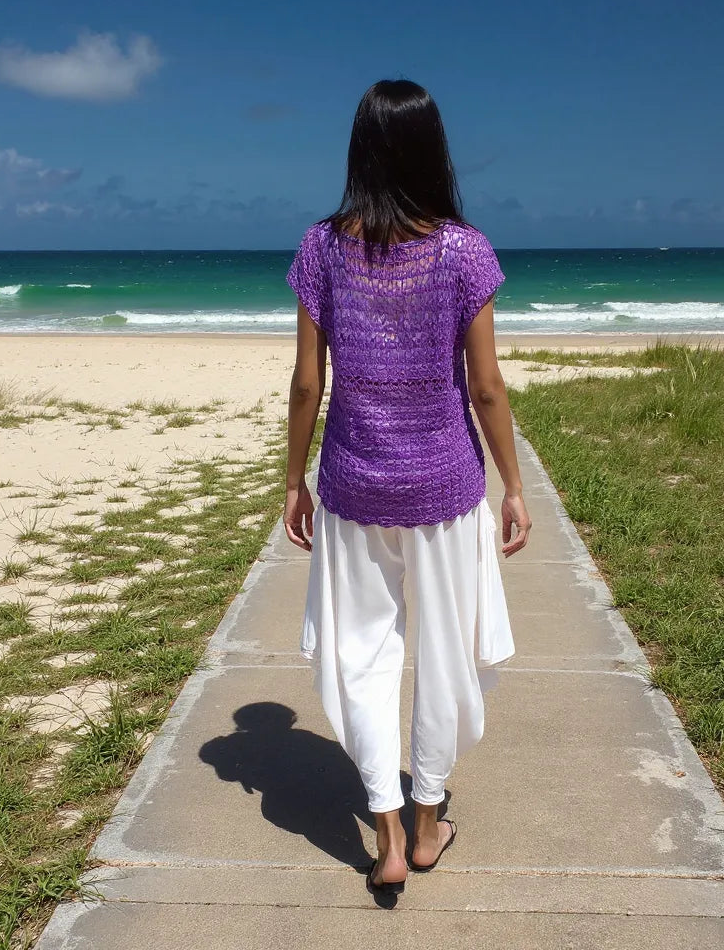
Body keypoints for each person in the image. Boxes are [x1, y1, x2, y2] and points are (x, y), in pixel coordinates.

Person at [283, 79, 531, 902]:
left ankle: (384, 832)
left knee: (363, 654)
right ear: (434, 150)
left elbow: (305, 384)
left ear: (360, 149)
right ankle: (428, 824)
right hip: (448, 487)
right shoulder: (465, 251)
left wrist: (294, 478)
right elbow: (487, 388)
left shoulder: (323, 246)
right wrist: (514, 485)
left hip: (353, 484)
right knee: (446, 655)